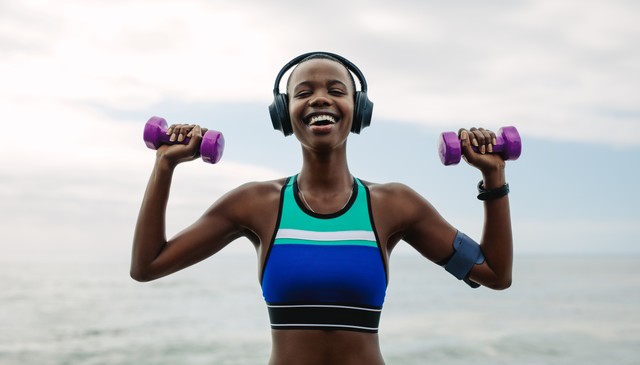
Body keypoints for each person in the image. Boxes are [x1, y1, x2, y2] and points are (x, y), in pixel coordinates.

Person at [130, 52, 513, 365]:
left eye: (335, 90)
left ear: (358, 109)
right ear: (285, 113)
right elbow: (148, 265)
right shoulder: (254, 204)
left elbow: (494, 273)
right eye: (303, 92)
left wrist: (493, 177)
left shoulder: (394, 205)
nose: (319, 98)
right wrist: (164, 165)